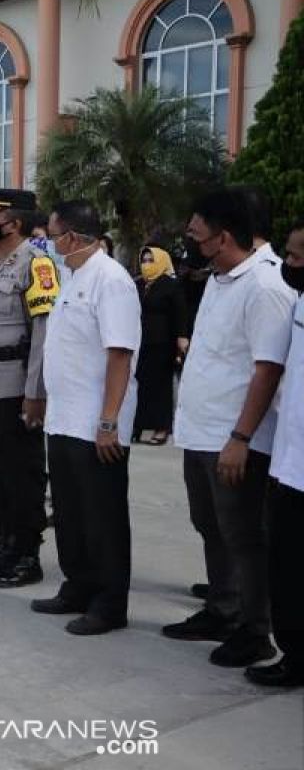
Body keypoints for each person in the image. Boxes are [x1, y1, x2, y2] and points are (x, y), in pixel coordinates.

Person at [163, 189, 295, 669]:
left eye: (197, 233)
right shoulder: (221, 278)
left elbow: (267, 370)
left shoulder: (266, 286)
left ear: (223, 237)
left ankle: (255, 630)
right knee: (211, 526)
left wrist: (240, 439)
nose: (191, 239)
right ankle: (222, 606)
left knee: (243, 535)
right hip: (201, 432)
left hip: (233, 439)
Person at [30, 201, 141, 636]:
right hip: (64, 419)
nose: (50, 243)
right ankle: (77, 586)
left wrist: (109, 419)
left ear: (72, 237)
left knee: (102, 518)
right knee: (72, 513)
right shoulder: (73, 277)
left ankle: (110, 603)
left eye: (53, 235)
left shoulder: (110, 281)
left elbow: (120, 353)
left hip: (97, 424)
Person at [0, 189, 57, 589]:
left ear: (15, 224)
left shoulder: (36, 265)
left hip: (17, 381)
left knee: (23, 472)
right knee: (1, 469)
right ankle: (6, 544)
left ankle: (27, 553)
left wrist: (34, 391)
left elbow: (41, 331)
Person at [248, 223, 304, 687]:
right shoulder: (299, 298)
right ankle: (295, 656)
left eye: (299, 256)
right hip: (290, 461)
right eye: (289, 254)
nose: (291, 264)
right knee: (285, 566)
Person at [133, 246, 189, 445]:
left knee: (161, 386)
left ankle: (161, 428)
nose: (146, 264)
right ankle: (137, 425)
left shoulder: (170, 285)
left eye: (151, 260)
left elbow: (180, 312)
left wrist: (182, 337)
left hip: (162, 342)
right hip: (140, 341)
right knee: (139, 383)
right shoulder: (138, 284)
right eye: (144, 260)